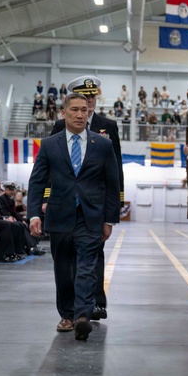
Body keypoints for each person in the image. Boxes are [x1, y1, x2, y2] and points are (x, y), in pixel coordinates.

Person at [28, 92, 121, 341]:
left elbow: (112, 184)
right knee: (63, 268)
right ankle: (66, 314)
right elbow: (37, 181)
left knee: (87, 267)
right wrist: (34, 214)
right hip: (59, 215)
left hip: (91, 217)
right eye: (74, 110)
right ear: (64, 113)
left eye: (84, 110)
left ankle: (81, 315)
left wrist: (109, 219)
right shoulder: (50, 144)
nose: (80, 114)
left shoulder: (102, 144)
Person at [49, 76, 125, 321]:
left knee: (95, 255)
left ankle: (96, 303)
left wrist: (116, 204)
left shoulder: (108, 125)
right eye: (85, 97)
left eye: (92, 97)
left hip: (96, 204)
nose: (89, 102)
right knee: (68, 260)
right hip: (66, 204)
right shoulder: (60, 126)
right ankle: (73, 307)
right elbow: (51, 167)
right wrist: (47, 198)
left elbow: (116, 168)